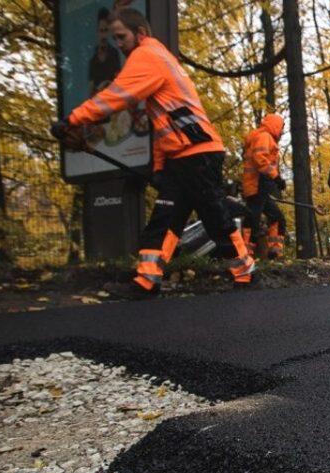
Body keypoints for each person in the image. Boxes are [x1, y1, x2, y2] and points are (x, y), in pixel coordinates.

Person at [53, 8, 254, 295]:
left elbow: (118, 95)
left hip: (198, 153)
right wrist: (160, 168)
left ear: (141, 34)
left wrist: (73, 119)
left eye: (121, 37)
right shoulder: (156, 57)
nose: (118, 44)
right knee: (166, 218)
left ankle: (245, 271)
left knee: (214, 217)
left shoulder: (147, 55)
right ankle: (147, 279)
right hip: (181, 155)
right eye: (114, 38)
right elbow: (162, 127)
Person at [243, 113, 287, 259]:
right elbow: (260, 158)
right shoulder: (264, 136)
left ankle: (274, 252)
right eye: (281, 128)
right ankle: (245, 256)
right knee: (252, 221)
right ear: (276, 126)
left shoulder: (265, 137)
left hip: (261, 187)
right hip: (256, 185)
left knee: (277, 217)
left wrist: (275, 180)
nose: (281, 132)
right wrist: (277, 177)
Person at [87, 8, 122, 95]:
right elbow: (91, 91)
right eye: (101, 31)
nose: (103, 35)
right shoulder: (93, 61)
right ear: (97, 32)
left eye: (106, 31)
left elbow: (119, 82)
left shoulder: (114, 54)